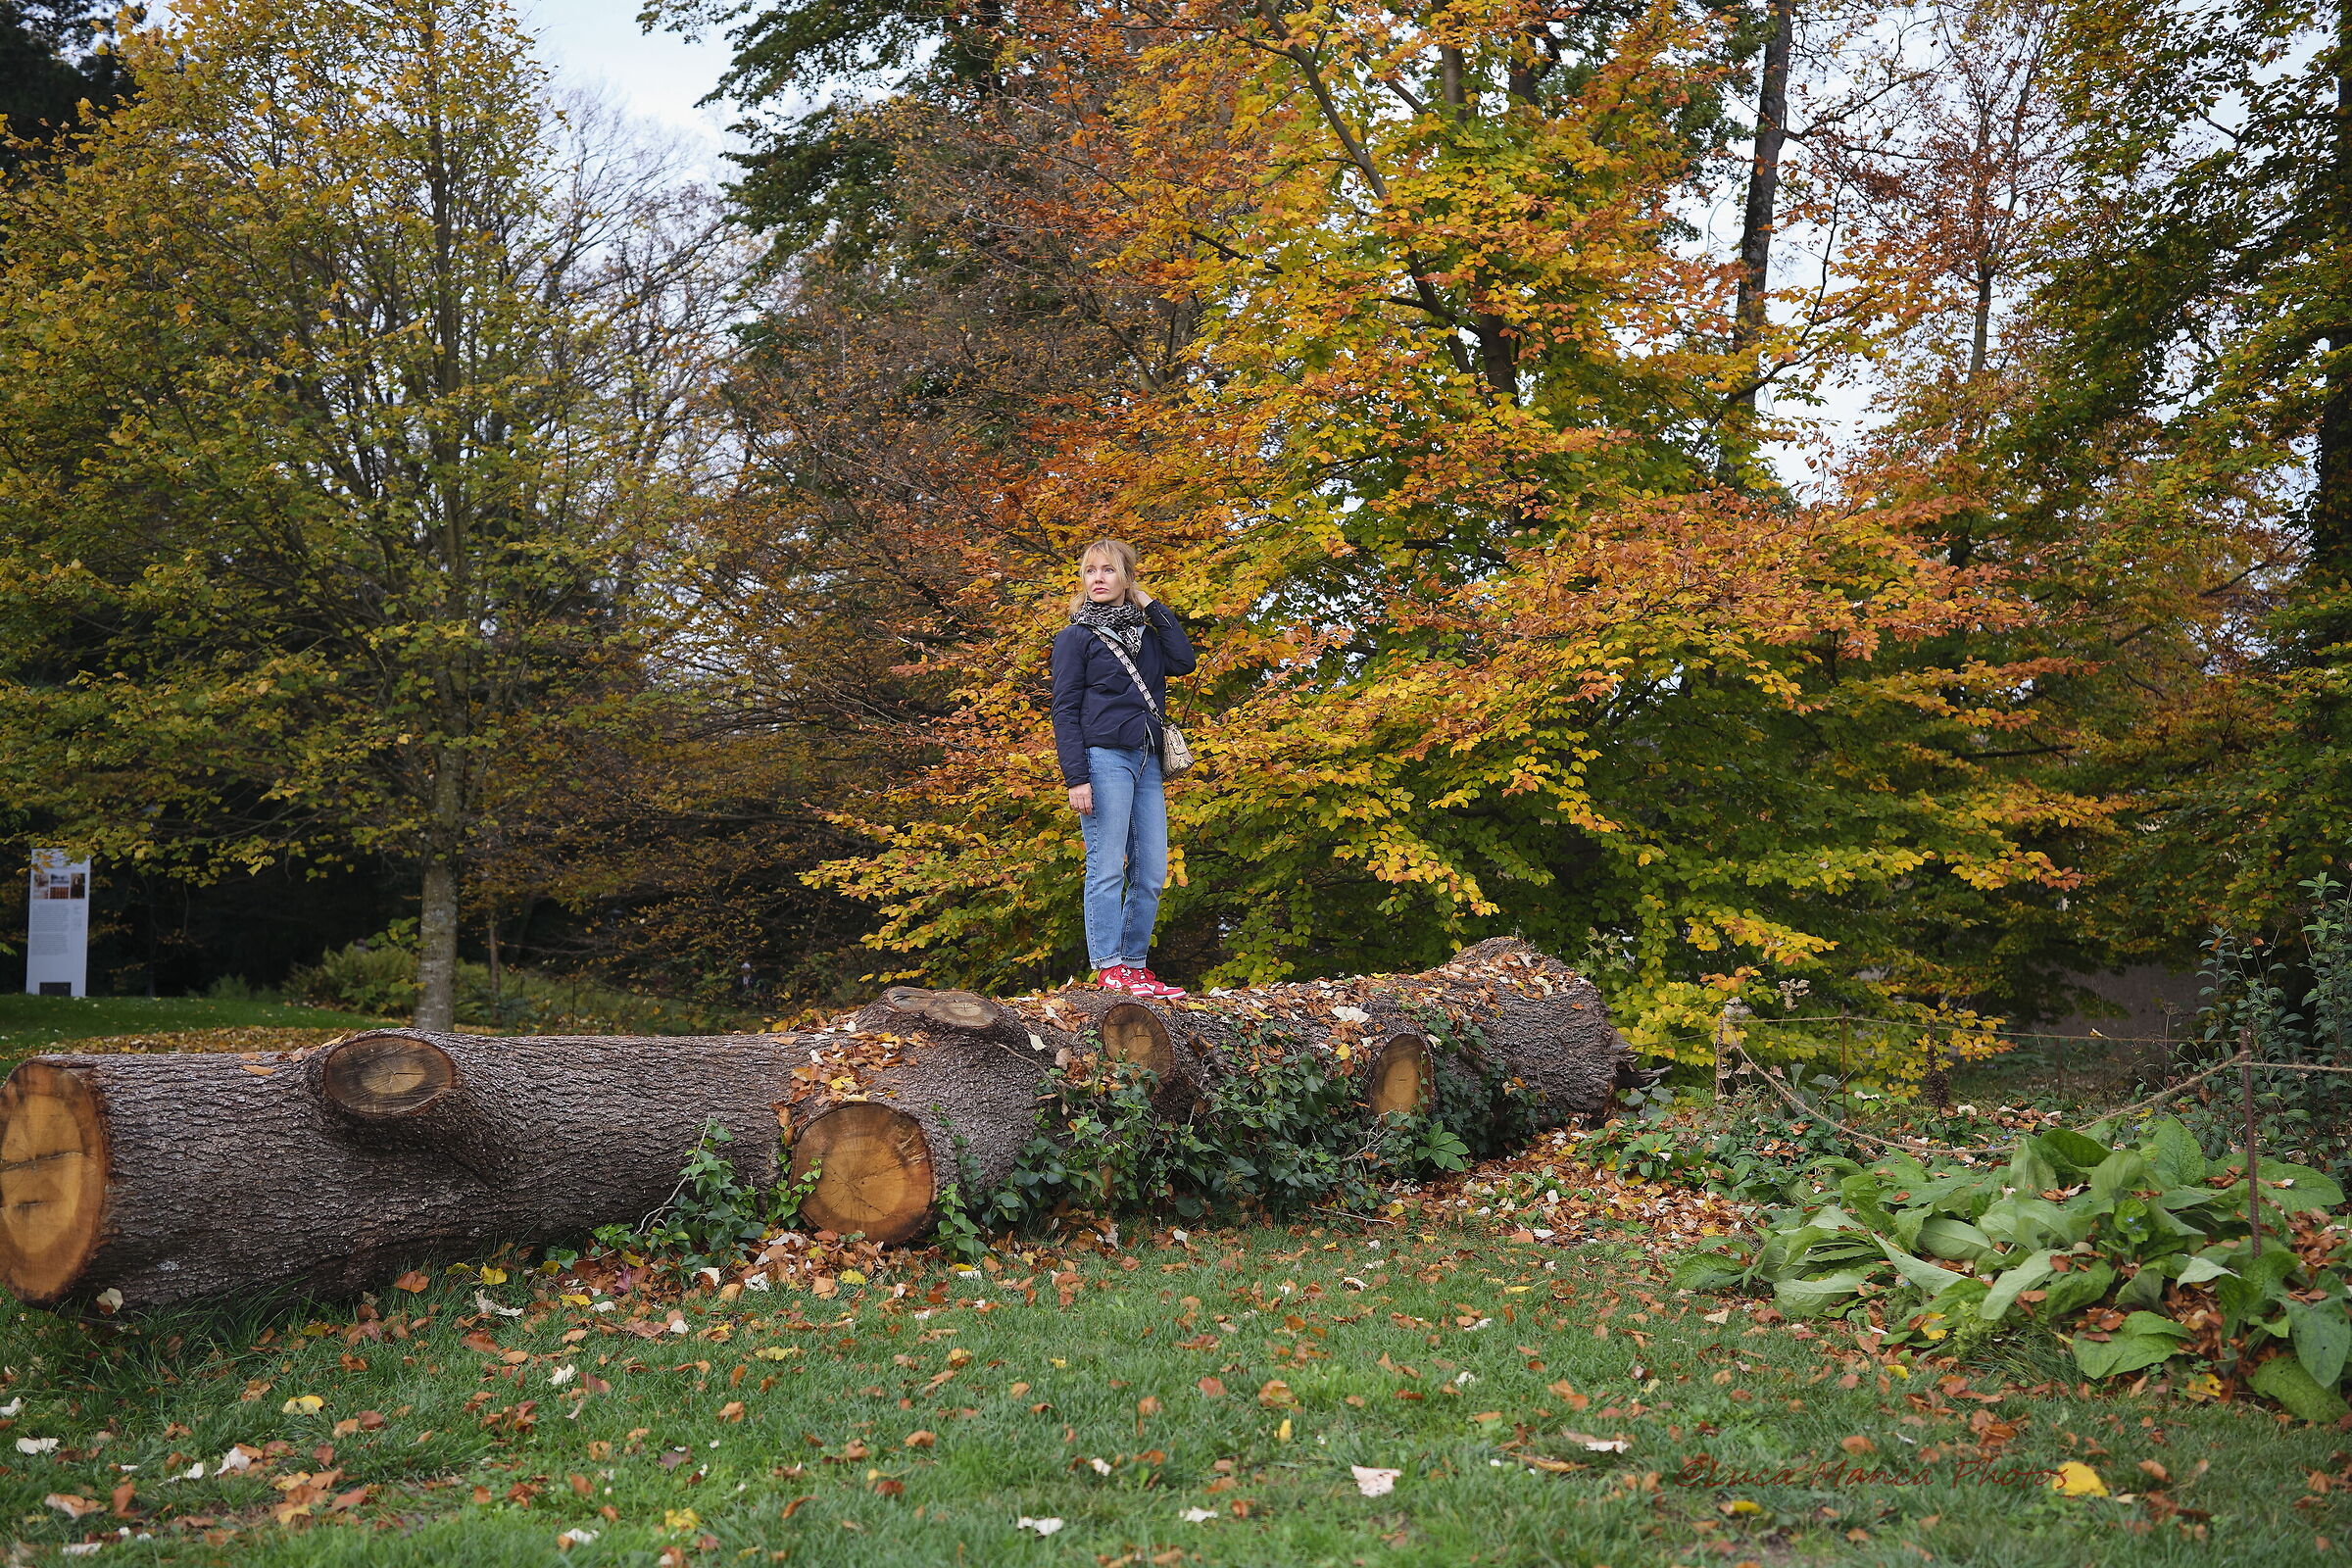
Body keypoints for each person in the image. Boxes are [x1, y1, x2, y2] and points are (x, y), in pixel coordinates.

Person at [1051, 538, 1197, 998]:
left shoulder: (1148, 637)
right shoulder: (1075, 637)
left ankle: (1135, 966)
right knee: (1107, 865)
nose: (1097, 578)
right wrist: (1076, 777)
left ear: (1127, 578)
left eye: (1109, 570)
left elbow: (1184, 661)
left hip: (1147, 758)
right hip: (1102, 758)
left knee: (1152, 870)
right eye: (1090, 570)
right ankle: (1110, 965)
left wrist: (1152, 605)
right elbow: (1064, 709)